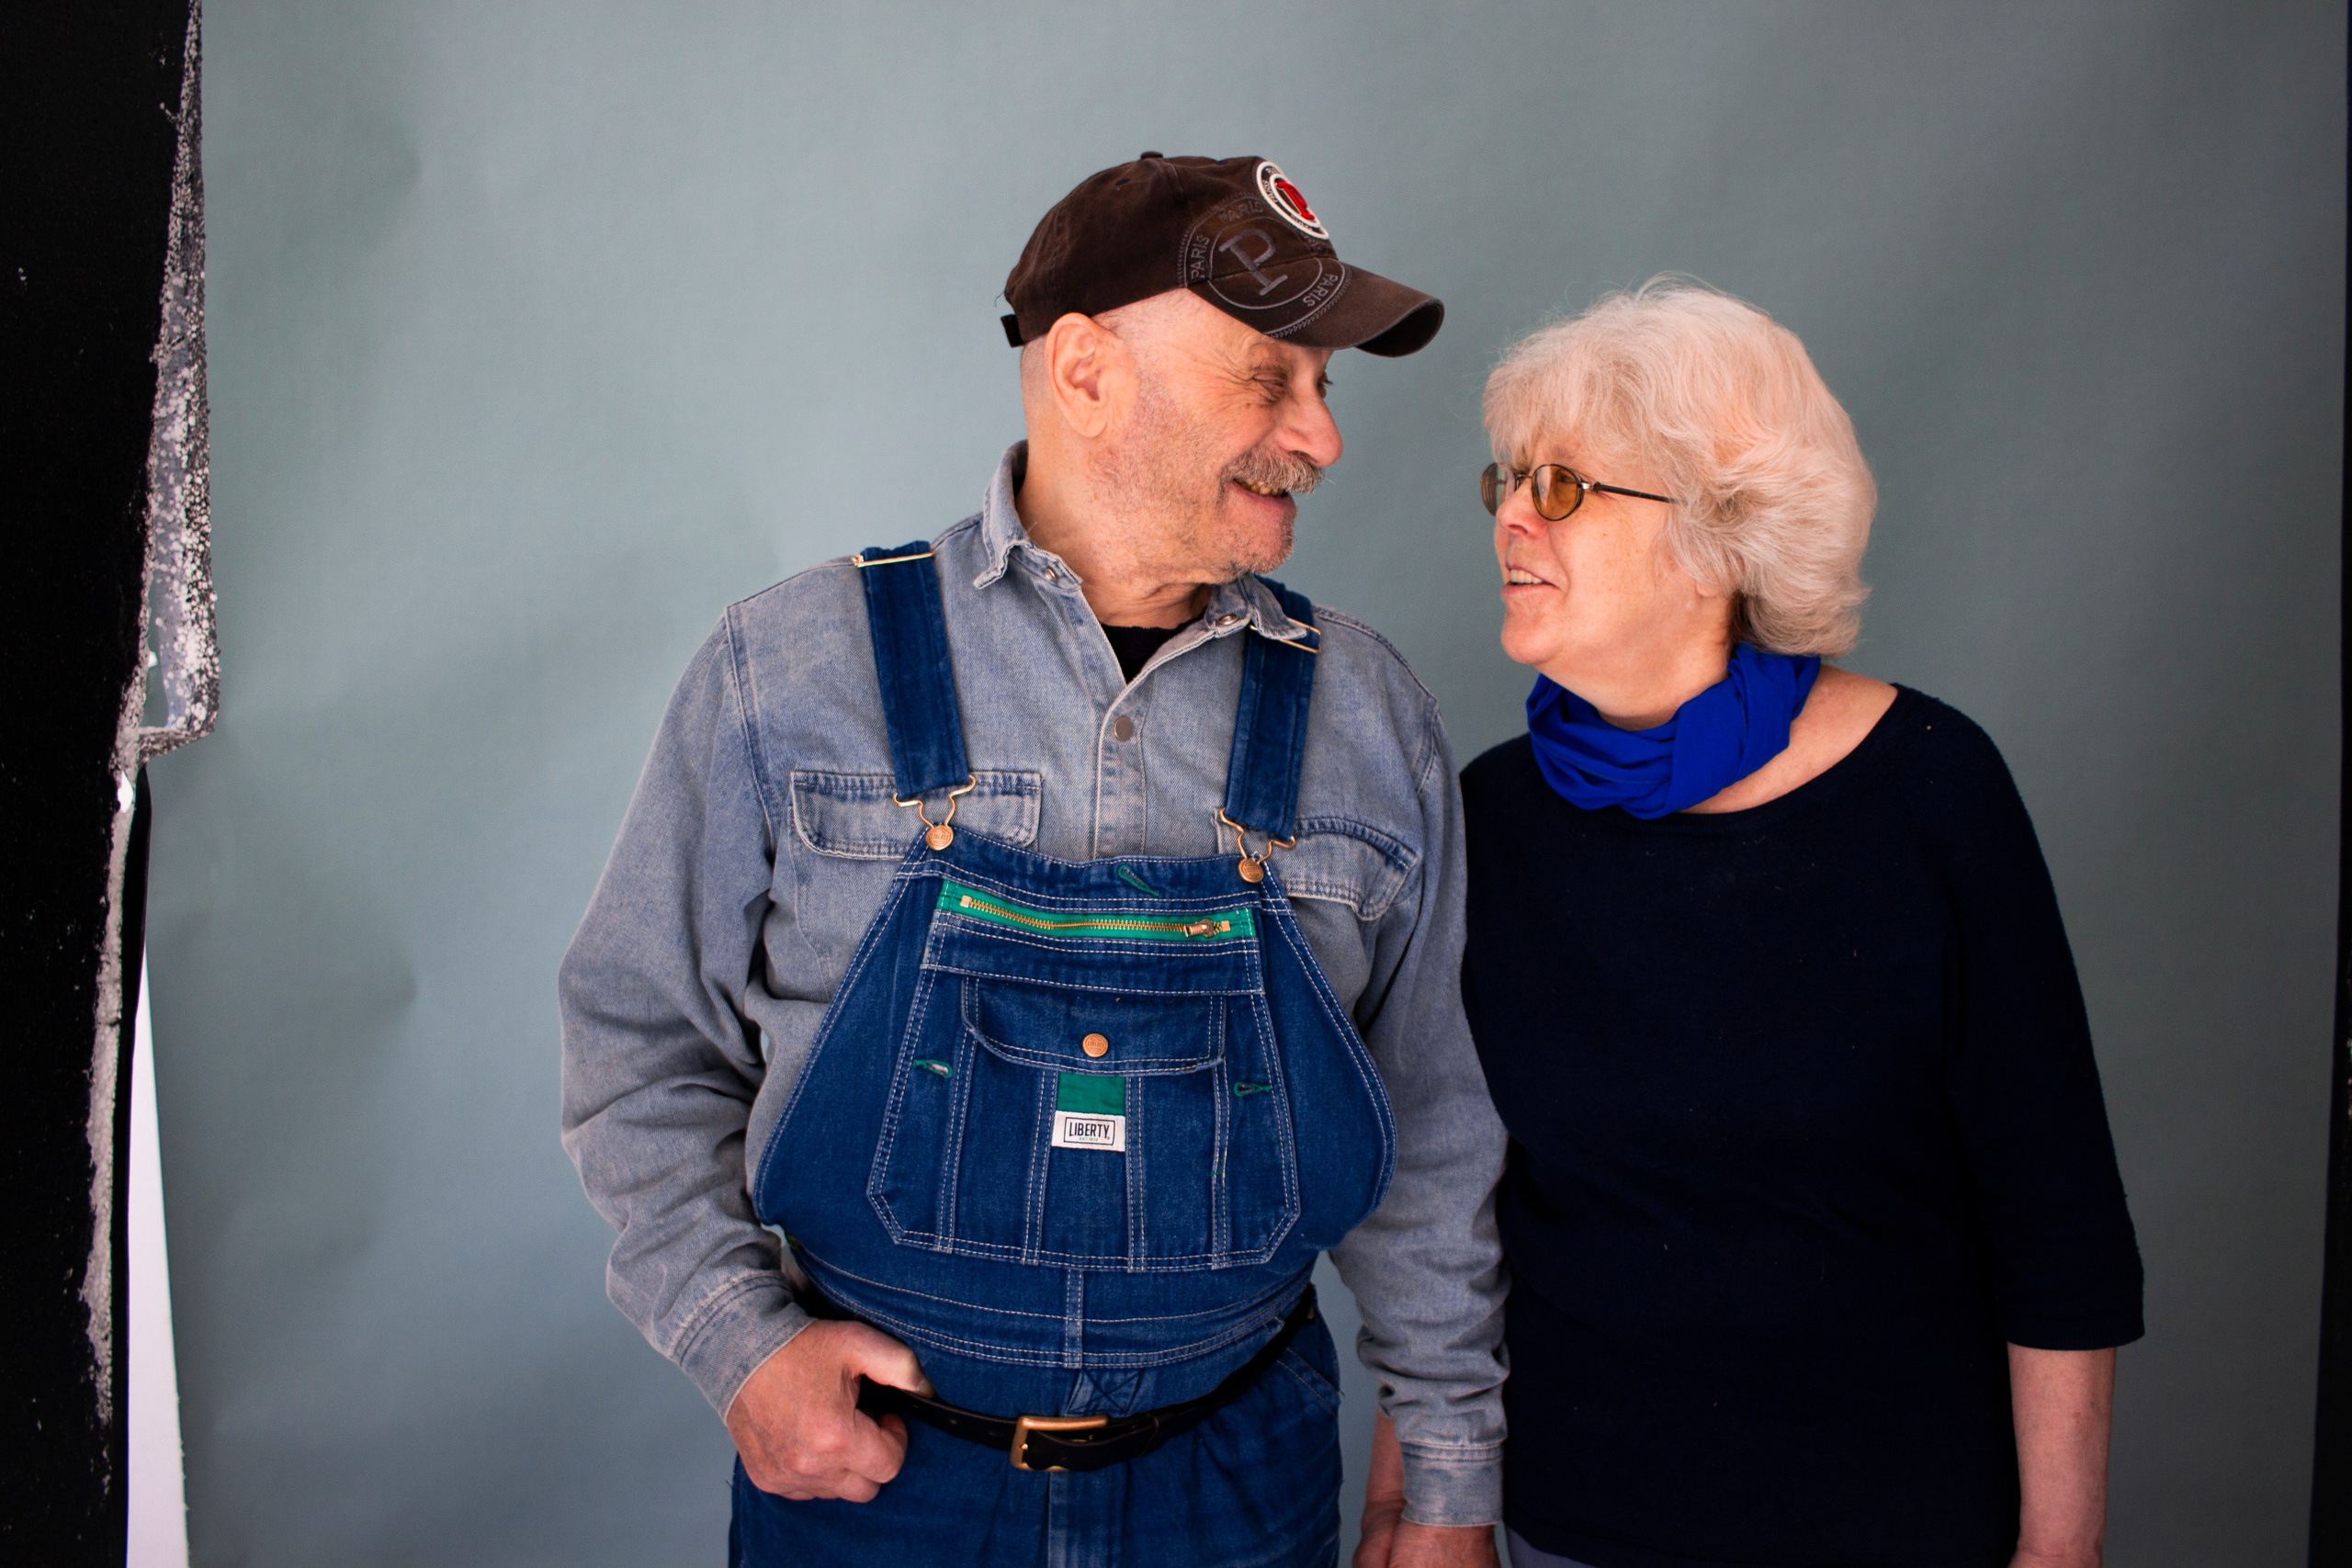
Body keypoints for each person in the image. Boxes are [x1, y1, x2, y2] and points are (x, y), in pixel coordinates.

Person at [560, 153, 1509, 1568]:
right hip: (885, 1486)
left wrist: (1443, 1481)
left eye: (1328, 389)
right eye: (1271, 380)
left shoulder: (1372, 718)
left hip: (1237, 1484)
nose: (1322, 439)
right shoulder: (789, 672)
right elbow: (638, 1048)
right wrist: (735, 1345)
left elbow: (1430, 1132)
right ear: (1082, 371)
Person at [1455, 278, 2144, 1568]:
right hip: (1570, 1531)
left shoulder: (1934, 788)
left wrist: (2061, 1557)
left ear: (1723, 533)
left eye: (1561, 487)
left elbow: (2058, 1217)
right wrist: (1414, 1509)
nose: (1508, 514)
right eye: (1505, 479)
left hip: (1892, 1529)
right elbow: (1455, 1218)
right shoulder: (1492, 814)